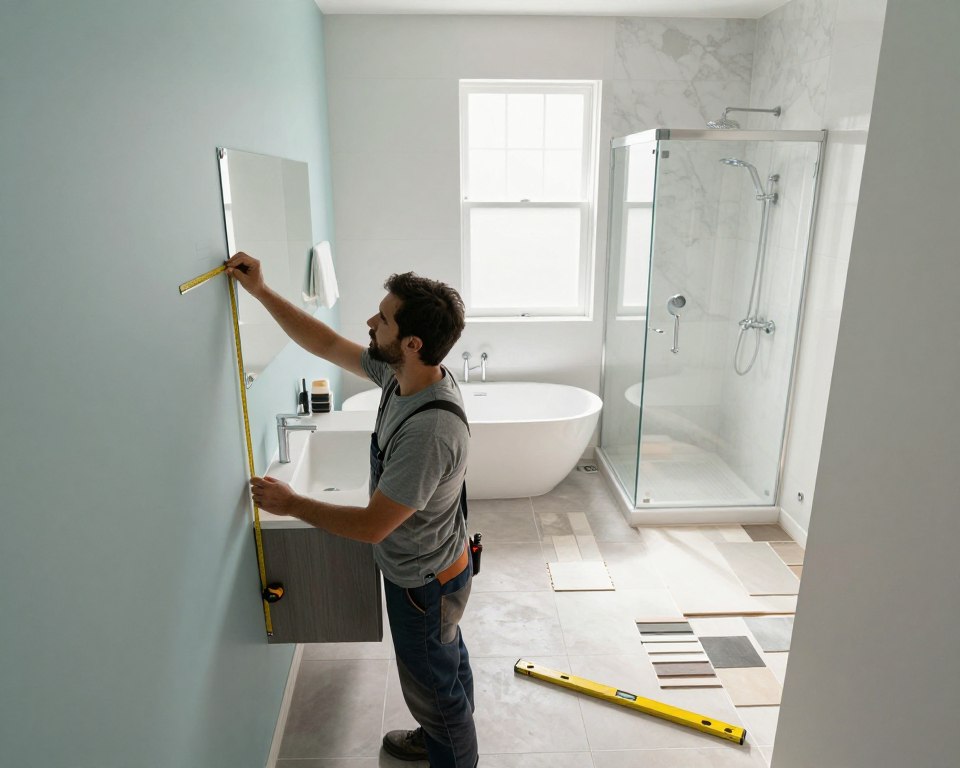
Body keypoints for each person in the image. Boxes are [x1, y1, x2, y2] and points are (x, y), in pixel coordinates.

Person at [225, 252, 477, 768]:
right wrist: (262, 292)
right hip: (433, 566)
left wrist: (293, 503)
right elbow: (324, 342)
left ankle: (449, 750)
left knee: (434, 685)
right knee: (444, 665)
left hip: (424, 583)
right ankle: (438, 737)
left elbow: (370, 526)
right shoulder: (400, 377)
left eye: (382, 318)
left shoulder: (430, 429)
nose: (370, 322)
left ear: (411, 343)